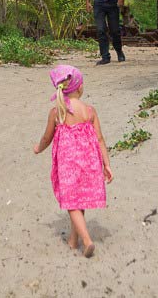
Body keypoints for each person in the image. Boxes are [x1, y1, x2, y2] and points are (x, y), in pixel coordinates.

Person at [33, 65, 113, 258]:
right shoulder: (89, 111)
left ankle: (86, 240)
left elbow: (47, 138)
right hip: (89, 162)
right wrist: (106, 164)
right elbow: (100, 138)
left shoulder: (57, 112)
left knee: (71, 201)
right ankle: (73, 240)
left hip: (68, 165)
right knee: (80, 198)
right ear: (79, 87)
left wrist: (38, 148)